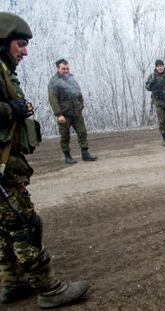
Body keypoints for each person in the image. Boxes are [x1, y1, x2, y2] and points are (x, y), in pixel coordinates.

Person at [0, 12, 89, 307]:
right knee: (25, 223)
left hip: (7, 162)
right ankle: (48, 289)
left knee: (5, 226)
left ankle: (13, 283)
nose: (25, 51)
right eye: (20, 44)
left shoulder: (3, 71)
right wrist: (10, 110)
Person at [48, 59, 97, 164]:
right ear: (58, 68)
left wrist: (81, 105)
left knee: (82, 132)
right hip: (64, 114)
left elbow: (78, 93)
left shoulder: (72, 79)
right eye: (63, 68)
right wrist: (58, 114)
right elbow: (53, 99)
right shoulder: (54, 82)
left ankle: (85, 153)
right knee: (65, 135)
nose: (66, 70)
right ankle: (67, 156)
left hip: (76, 112)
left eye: (67, 68)